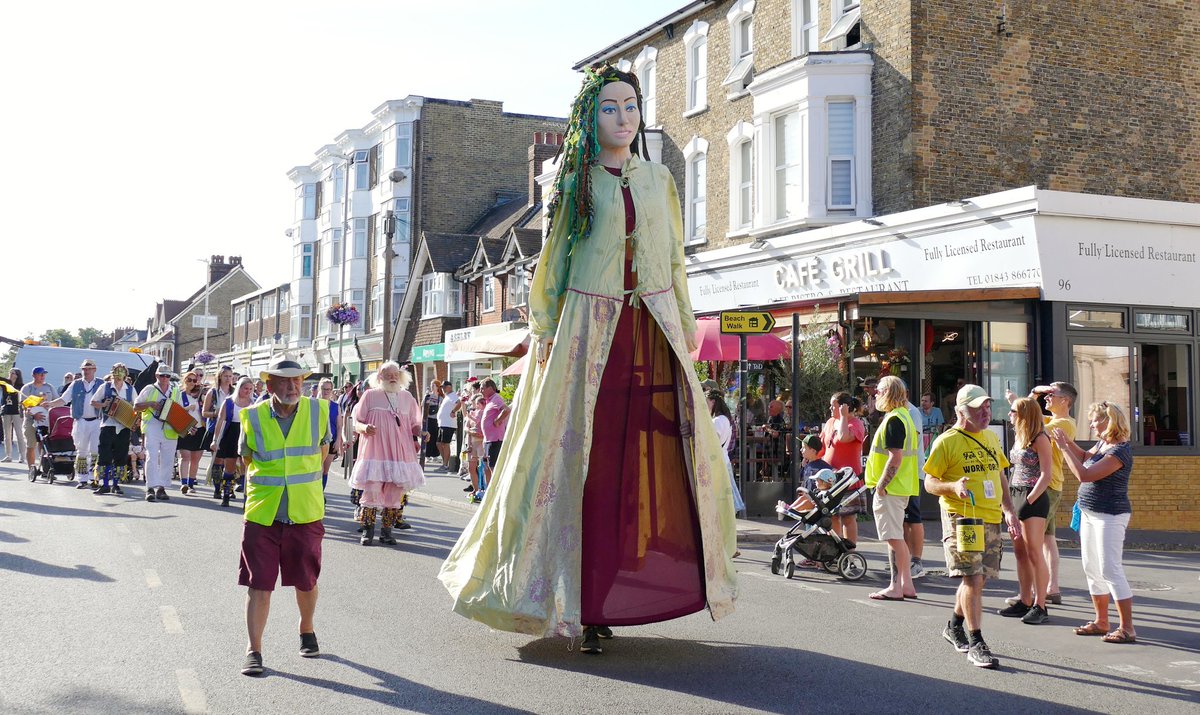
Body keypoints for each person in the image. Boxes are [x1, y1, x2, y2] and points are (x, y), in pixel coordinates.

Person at [439, 65, 737, 655]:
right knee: (579, 465)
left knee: (642, 465)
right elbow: (551, 261)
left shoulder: (659, 180)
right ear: (589, 117)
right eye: (610, 108)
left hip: (649, 330)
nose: (623, 117)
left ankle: (623, 590)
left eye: (631, 105)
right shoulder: (572, 182)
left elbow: (673, 261)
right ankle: (577, 600)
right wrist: (544, 328)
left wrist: (685, 328)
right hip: (584, 329)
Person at [238, 357, 330, 676]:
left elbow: (323, 453)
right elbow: (246, 459)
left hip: (305, 511)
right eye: (284, 381)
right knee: (258, 584)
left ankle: (306, 628)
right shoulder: (251, 416)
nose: (292, 386)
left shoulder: (320, 411)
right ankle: (254, 650)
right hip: (263, 512)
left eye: (297, 381)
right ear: (269, 385)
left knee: (306, 581)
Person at [924, 384, 1019, 669]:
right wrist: (952, 486)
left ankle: (954, 625)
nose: (985, 412)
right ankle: (976, 641)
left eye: (987, 407)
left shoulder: (990, 437)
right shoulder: (947, 441)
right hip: (962, 518)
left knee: (981, 578)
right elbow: (929, 482)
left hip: (991, 517)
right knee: (972, 579)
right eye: (978, 408)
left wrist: (1009, 512)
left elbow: (1000, 474)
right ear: (960, 411)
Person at [1051, 402, 1136, 644]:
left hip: (1109, 515)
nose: (1090, 424)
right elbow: (1087, 458)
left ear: (1108, 422)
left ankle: (1127, 628)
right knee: (1091, 567)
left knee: (1110, 569)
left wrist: (1063, 448)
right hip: (1089, 512)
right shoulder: (1104, 444)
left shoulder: (1119, 451)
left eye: (1094, 420)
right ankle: (1101, 621)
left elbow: (1084, 474)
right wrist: (1068, 444)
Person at [1005, 381, 1077, 607]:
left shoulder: (1063, 424)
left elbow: (1029, 417)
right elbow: (1028, 414)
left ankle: (1041, 597)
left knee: (1036, 546)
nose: (1046, 398)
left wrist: (1026, 400)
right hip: (1031, 488)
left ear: (1065, 400)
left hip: (1047, 487)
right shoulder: (1045, 421)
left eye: (1051, 395)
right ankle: (1050, 589)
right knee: (1047, 540)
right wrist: (1033, 393)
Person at [348, 362, 424, 546]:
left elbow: (414, 424)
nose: (392, 377)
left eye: (395, 374)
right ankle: (367, 531)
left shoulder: (407, 398)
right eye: (387, 374)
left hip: (400, 454)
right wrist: (364, 427)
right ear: (379, 377)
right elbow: (356, 422)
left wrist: (421, 432)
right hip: (374, 452)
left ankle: (387, 532)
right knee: (372, 491)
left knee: (394, 493)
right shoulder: (370, 395)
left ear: (400, 377)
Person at [995, 397, 1055, 624]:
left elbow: (1046, 474)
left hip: (1033, 498)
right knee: (1020, 552)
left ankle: (1041, 604)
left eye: (1013, 411)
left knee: (1034, 553)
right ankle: (1025, 599)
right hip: (1015, 494)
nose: (1009, 415)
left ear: (1024, 414)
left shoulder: (1040, 438)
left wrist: (1029, 499)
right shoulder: (1019, 438)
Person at [865, 376, 920, 601]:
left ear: (887, 392)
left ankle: (896, 587)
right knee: (896, 537)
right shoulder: (904, 416)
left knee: (894, 539)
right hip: (901, 486)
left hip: (891, 488)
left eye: (878, 391)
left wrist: (881, 484)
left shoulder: (894, 420)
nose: (875, 394)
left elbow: (894, 458)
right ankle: (905, 585)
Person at [43, 359, 105, 488]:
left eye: (89, 369)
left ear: (94, 370)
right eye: (84, 369)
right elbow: (63, 400)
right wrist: (50, 404)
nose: (86, 371)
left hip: (97, 421)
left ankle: (93, 477)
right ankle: (82, 479)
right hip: (81, 421)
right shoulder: (75, 384)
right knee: (81, 450)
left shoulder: (101, 384)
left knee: (95, 450)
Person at [820, 392, 867, 547]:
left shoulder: (855, 423)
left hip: (847, 480)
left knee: (848, 517)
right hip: (829, 479)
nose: (830, 408)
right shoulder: (829, 422)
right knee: (831, 516)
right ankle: (833, 551)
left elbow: (843, 437)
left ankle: (849, 553)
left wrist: (844, 417)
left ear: (843, 407)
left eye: (833, 405)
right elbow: (823, 446)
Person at [135, 365, 184, 502]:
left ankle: (162, 488)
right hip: (152, 426)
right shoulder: (149, 389)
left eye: (167, 376)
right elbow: (136, 406)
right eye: (162, 375)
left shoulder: (175, 390)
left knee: (168, 459)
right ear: (156, 376)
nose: (164, 378)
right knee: (152, 456)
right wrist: (150, 404)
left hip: (170, 427)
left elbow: (180, 410)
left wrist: (185, 426)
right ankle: (150, 487)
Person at [91, 363, 137, 495]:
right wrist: (103, 404)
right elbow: (93, 402)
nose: (118, 377)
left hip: (123, 427)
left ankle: (116, 485)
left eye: (121, 373)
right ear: (112, 374)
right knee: (104, 455)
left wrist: (132, 416)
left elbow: (136, 405)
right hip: (107, 425)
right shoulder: (105, 387)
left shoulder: (130, 389)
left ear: (125, 375)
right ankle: (104, 484)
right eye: (116, 373)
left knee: (121, 456)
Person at [210, 376, 255, 507]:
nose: (248, 391)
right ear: (239, 388)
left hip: (246, 434)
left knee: (247, 467)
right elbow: (220, 421)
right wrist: (215, 440)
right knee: (229, 467)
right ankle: (226, 495)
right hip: (231, 434)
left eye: (250, 389)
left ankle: (247, 499)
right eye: (245, 388)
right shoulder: (229, 402)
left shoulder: (253, 403)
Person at [708, 389, 744, 519]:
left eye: (707, 402)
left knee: (717, 494)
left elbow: (713, 442)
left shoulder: (717, 421)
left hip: (715, 460)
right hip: (723, 459)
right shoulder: (726, 419)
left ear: (713, 402)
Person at [19, 367, 58, 476]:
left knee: (45, 444)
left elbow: (57, 401)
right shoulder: (27, 388)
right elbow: (23, 405)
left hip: (46, 420)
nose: (43, 376)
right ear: (34, 375)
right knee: (31, 444)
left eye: (44, 374)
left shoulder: (49, 387)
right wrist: (34, 414)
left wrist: (50, 404)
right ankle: (32, 469)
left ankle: (45, 468)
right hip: (31, 420)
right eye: (40, 374)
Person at [202, 366, 235, 492]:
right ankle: (217, 487)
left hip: (231, 428)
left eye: (230, 376)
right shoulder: (213, 392)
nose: (228, 379)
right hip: (216, 427)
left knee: (231, 461)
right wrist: (217, 414)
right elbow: (204, 413)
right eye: (225, 376)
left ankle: (228, 488)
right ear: (220, 377)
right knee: (218, 459)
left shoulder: (234, 392)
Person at [175, 369, 206, 494]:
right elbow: (175, 411)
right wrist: (187, 408)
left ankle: (191, 483)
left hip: (199, 428)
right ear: (184, 380)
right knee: (185, 456)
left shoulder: (200, 395)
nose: (192, 383)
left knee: (195, 458)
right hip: (186, 428)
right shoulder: (179, 395)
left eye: (195, 380)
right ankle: (184, 483)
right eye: (189, 380)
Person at [477, 378, 509, 489]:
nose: (480, 391)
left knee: (493, 467)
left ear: (490, 388)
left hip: (495, 440)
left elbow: (506, 410)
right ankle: (489, 490)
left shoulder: (496, 398)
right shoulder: (489, 400)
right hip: (488, 440)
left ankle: (497, 490)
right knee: (486, 467)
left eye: (482, 389)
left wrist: (498, 420)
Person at [463, 393, 487, 502]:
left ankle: (483, 489)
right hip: (472, 443)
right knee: (471, 467)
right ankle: (476, 488)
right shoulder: (473, 413)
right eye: (476, 403)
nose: (476, 405)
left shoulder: (482, 413)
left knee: (483, 467)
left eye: (478, 403)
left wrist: (470, 416)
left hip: (481, 442)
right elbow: (466, 427)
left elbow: (478, 423)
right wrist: (470, 431)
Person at [317, 378, 340, 493]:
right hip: (316, 441)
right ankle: (315, 494)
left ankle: (321, 493)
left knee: (325, 470)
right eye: (324, 389)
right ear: (319, 388)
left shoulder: (336, 406)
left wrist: (338, 441)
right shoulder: (313, 404)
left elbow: (339, 425)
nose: (326, 391)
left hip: (331, 440)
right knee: (317, 470)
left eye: (329, 389)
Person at [435, 379, 460, 472]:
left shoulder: (453, 395)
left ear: (449, 387)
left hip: (448, 424)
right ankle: (445, 462)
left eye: (444, 387)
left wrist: (453, 411)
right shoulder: (447, 396)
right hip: (443, 424)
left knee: (445, 444)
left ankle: (445, 465)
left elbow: (459, 403)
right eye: (442, 387)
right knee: (439, 443)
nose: (443, 389)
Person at [2, 368, 25, 462]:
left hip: (17, 412)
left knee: (19, 434)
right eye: (10, 372)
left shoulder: (21, 386)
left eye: (13, 373)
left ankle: (22, 456)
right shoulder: (5, 384)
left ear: (17, 375)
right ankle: (8, 456)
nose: (11, 374)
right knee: (7, 435)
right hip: (6, 411)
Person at [421, 380, 442, 465]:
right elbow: (423, 405)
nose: (432, 387)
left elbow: (441, 407)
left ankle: (435, 455)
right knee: (427, 436)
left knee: (435, 437)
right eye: (431, 385)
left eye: (433, 385)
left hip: (436, 419)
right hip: (428, 418)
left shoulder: (440, 397)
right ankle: (427, 455)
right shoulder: (428, 395)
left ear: (437, 387)